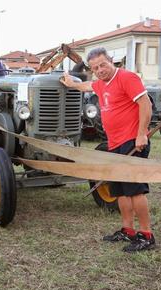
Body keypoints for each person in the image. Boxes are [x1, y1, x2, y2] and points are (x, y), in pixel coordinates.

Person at [60, 47, 154, 252]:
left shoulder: (127, 78)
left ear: (112, 61)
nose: (100, 70)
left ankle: (147, 235)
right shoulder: (101, 84)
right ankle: (127, 230)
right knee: (120, 191)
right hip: (114, 144)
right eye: (95, 68)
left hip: (132, 141)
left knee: (135, 190)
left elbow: (145, 104)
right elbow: (87, 86)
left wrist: (141, 133)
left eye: (103, 64)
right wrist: (71, 83)